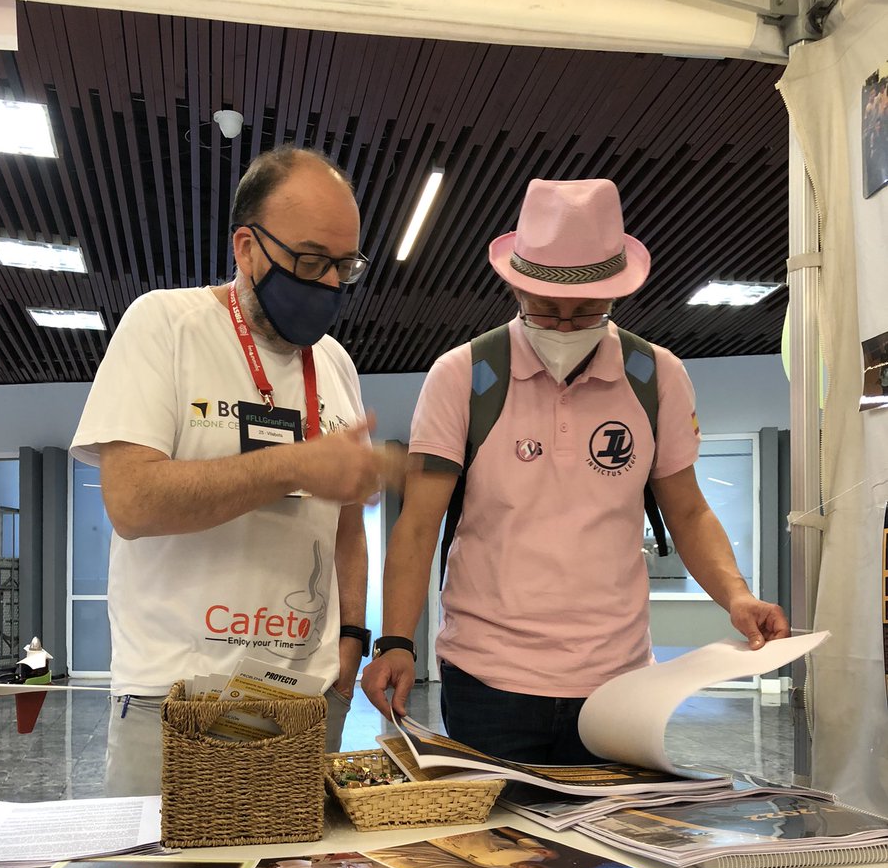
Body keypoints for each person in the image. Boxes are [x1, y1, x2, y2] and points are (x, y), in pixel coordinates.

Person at [363, 177, 789, 764]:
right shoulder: (463, 375)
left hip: (618, 680)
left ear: (615, 296)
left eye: (586, 312)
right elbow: (417, 525)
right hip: (487, 679)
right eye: (545, 311)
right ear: (516, 286)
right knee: (497, 829)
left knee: (618, 828)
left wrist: (736, 596)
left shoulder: (656, 376)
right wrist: (395, 641)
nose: (564, 328)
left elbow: (689, 512)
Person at [71, 143, 399, 797]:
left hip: (304, 700)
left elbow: (345, 528)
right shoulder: (165, 325)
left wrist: (352, 634)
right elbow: (131, 501)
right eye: (311, 261)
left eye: (345, 266)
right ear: (247, 248)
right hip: (174, 698)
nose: (329, 284)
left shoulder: (336, 364)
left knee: (297, 866)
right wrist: (295, 464)